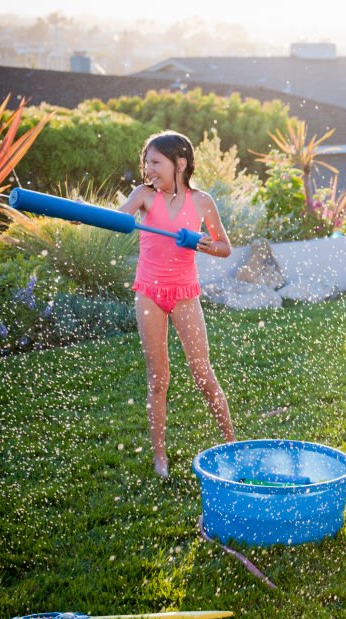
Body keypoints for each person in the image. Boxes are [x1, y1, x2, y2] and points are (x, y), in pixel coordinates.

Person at [119, 130, 236, 478]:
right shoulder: (143, 195)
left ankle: (231, 444)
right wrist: (87, 217)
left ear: (180, 163)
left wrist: (198, 242)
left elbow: (224, 247)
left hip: (185, 293)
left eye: (156, 162)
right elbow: (119, 218)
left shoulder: (202, 202)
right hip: (149, 293)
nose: (149, 168)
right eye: (146, 162)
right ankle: (160, 458)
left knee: (203, 374)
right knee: (159, 378)